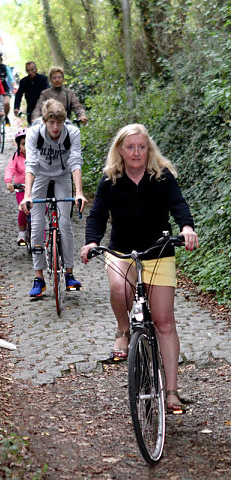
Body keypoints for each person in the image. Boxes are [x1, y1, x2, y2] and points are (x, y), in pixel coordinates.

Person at [80, 123, 199, 414]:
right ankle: (123, 329)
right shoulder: (110, 181)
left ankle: (171, 391)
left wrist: (186, 227)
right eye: (130, 147)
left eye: (142, 147)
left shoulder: (162, 177)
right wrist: (91, 242)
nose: (136, 152)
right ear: (120, 150)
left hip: (158, 251)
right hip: (122, 250)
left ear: (149, 149)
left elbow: (179, 205)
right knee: (120, 287)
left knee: (164, 321)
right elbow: (97, 215)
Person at [20, 99, 87, 297]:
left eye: (59, 122)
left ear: (64, 121)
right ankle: (39, 277)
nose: (55, 127)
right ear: (44, 121)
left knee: (64, 222)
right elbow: (30, 164)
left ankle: (69, 273)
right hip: (40, 174)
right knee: (38, 223)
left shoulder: (72, 133)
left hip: (62, 175)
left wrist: (79, 192)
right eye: (51, 122)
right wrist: (27, 195)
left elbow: (75, 161)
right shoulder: (33, 133)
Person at [4, 129, 27, 245]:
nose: (26, 147)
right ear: (19, 145)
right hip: (21, 189)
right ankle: (22, 232)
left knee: (42, 208)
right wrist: (9, 182)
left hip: (36, 188)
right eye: (23, 144)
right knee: (23, 209)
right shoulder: (16, 157)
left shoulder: (38, 156)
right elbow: (10, 169)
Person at [14, 61, 49, 126]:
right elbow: (19, 95)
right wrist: (16, 108)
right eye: (28, 70)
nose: (30, 72)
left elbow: (48, 93)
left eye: (32, 70)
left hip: (44, 109)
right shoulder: (23, 82)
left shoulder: (43, 79)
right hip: (31, 111)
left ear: (36, 69)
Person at [0, 50, 16, 125]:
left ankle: (6, 117)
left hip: (4, 88)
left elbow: (11, 78)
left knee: (6, 103)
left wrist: (14, 87)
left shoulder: (5, 67)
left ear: (1, 59)